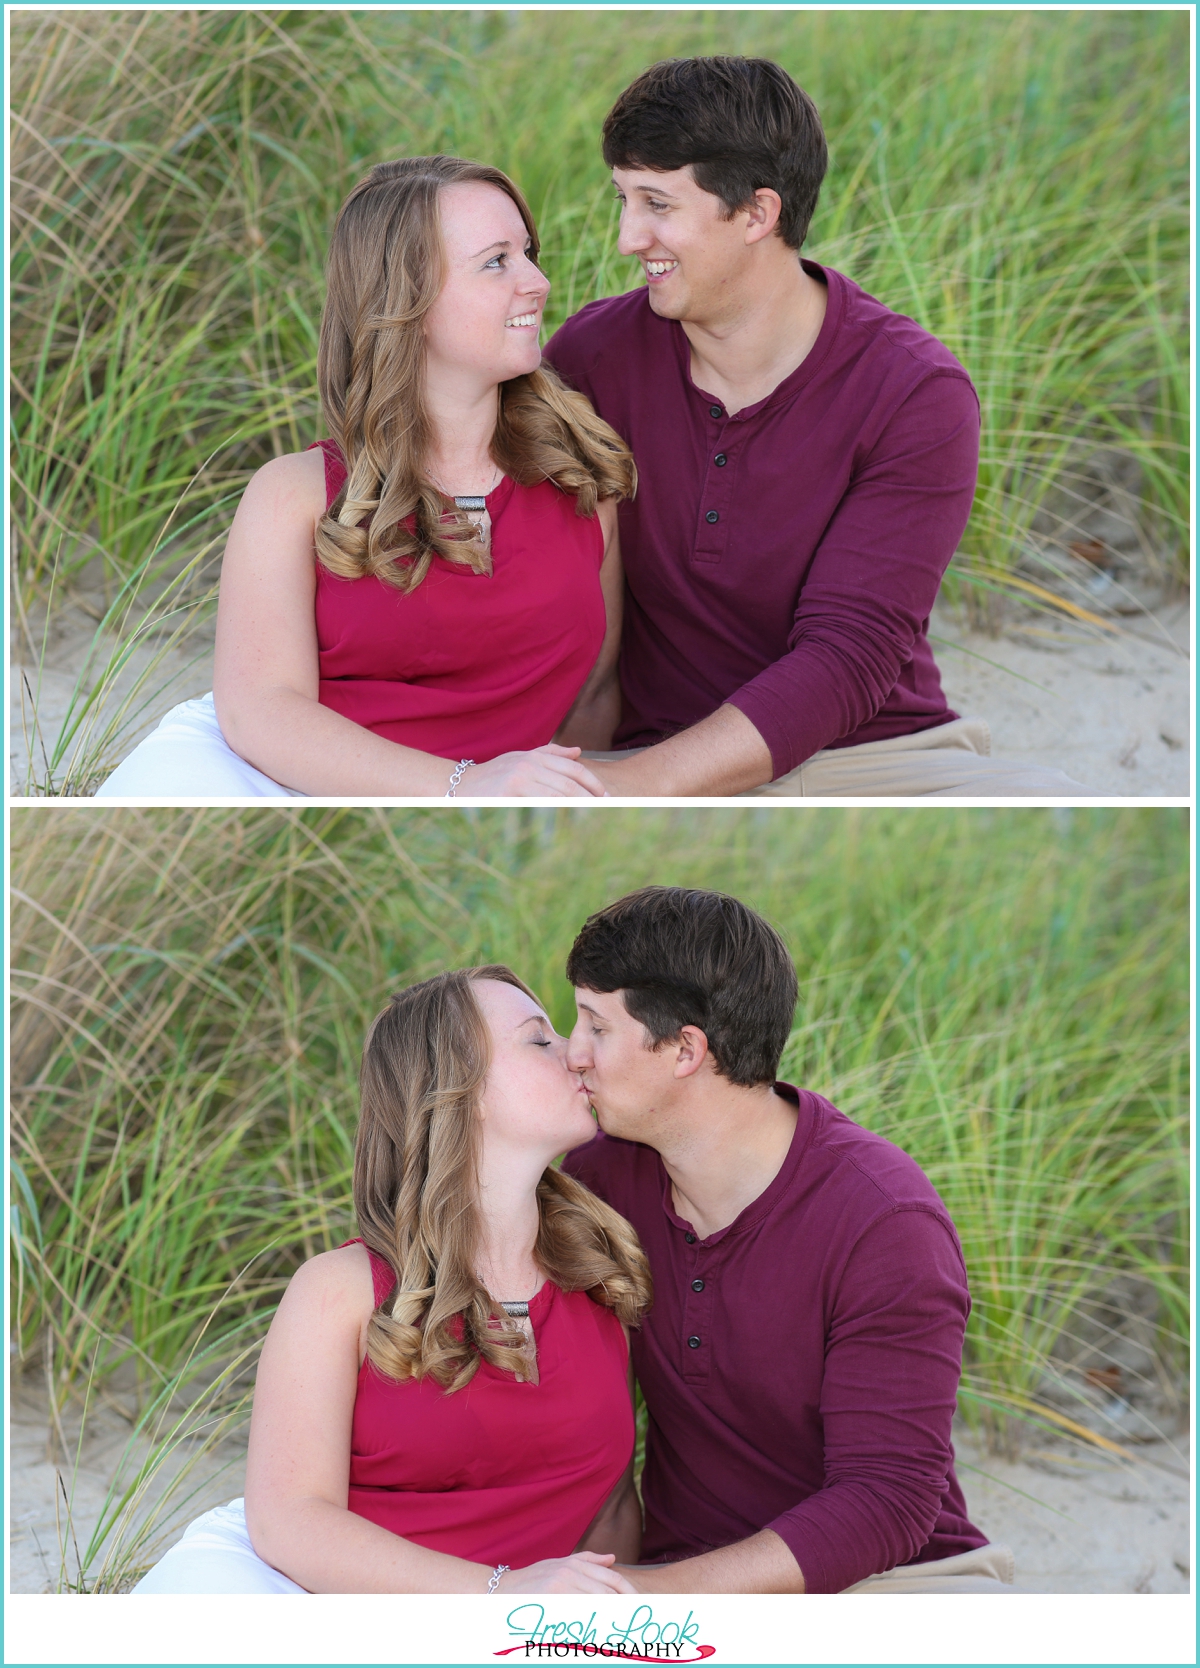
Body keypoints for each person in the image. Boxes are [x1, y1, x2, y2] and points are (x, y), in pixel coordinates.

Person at [544, 56, 1094, 797]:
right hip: (653, 754)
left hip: (873, 759)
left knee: (1048, 797)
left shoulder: (913, 392)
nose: (627, 238)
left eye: (657, 205)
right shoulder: (591, 359)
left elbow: (848, 658)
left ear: (757, 214)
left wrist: (637, 787)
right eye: (623, 200)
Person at [97, 157, 636, 800]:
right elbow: (260, 711)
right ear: (406, 299)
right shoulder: (295, 494)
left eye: (529, 253)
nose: (538, 282)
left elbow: (595, 696)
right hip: (258, 777)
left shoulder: (581, 481)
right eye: (497, 261)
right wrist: (463, 785)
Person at [561, 886, 1020, 1593]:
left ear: (685, 1049)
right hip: (687, 1574)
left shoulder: (884, 1221)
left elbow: (888, 1501)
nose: (573, 1054)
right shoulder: (600, 1177)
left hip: (895, 1580)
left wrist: (651, 1594)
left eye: (596, 1027)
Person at [133, 967, 651, 1593]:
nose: (574, 1052)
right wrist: (495, 1594)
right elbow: (289, 1521)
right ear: (459, 1089)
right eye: (539, 1040)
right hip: (300, 1590)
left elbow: (613, 1509)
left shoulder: (599, 1276)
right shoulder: (341, 1290)